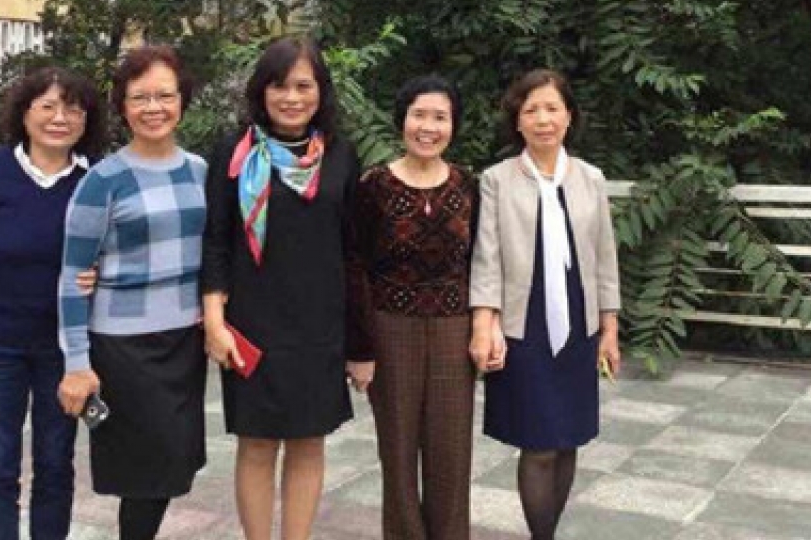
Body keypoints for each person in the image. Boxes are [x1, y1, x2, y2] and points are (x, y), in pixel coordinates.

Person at [0, 66, 104, 540]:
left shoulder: (96, 178)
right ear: (24, 113)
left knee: (56, 463)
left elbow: (122, 248)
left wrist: (104, 272)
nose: (60, 118)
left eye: (73, 109)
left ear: (87, 120)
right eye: (47, 106)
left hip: (63, 347)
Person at [201, 36, 358, 540]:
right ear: (261, 91)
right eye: (279, 86)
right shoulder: (233, 152)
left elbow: (352, 251)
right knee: (257, 443)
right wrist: (214, 321)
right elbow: (216, 241)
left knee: (309, 442)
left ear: (321, 91)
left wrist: (359, 343)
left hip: (319, 327)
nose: (292, 97)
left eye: (303, 86)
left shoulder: (340, 155)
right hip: (252, 322)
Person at [56, 45, 208, 540]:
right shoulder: (102, 181)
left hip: (184, 341)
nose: (153, 107)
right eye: (140, 97)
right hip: (123, 346)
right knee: (144, 469)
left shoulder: (200, 171)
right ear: (122, 105)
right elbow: (71, 276)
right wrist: (77, 362)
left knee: (173, 464)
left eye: (165, 95)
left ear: (182, 100)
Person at [346, 74, 503, 540]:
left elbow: (483, 261)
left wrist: (486, 324)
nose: (428, 127)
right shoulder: (373, 186)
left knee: (451, 452)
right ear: (402, 120)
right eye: (419, 115)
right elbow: (355, 266)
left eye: (440, 117)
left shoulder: (467, 185)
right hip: (390, 328)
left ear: (453, 125)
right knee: (396, 451)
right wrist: (360, 348)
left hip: (454, 329)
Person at [468, 68, 622, 540]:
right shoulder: (496, 180)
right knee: (537, 444)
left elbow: (604, 256)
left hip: (579, 323)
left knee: (568, 439)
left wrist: (610, 328)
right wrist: (484, 324)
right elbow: (487, 258)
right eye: (531, 110)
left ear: (569, 116)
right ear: (517, 121)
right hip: (524, 326)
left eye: (552, 108)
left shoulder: (591, 179)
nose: (542, 119)